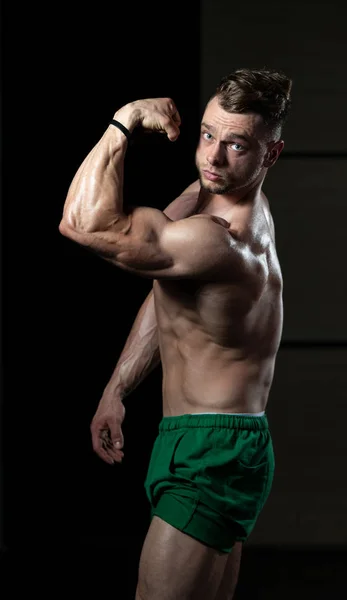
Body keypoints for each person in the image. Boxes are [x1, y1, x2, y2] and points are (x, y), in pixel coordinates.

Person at [59, 66, 292, 600]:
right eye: (208, 134)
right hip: (217, 440)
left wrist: (124, 120)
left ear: (269, 155)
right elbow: (168, 288)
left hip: (210, 451)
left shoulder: (221, 240)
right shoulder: (220, 197)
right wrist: (117, 388)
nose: (212, 157)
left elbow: (82, 223)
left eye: (235, 145)